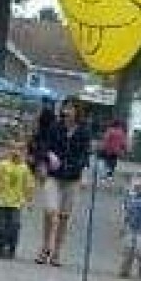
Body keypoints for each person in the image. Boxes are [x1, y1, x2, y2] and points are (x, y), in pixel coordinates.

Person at [35, 97, 91, 267]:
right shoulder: (55, 127)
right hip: (54, 175)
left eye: (71, 108)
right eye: (65, 107)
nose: (67, 111)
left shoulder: (84, 131)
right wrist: (48, 156)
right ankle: (45, 246)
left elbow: (85, 155)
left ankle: (57, 252)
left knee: (64, 216)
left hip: (72, 177)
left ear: (77, 111)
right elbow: (43, 145)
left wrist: (83, 173)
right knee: (50, 210)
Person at [0, 141, 35, 258]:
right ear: (9, 150)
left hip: (17, 203)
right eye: (13, 149)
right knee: (2, 226)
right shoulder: (3, 165)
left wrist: (29, 201)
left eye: (20, 150)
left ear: (24, 153)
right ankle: (0, 246)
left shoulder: (25, 168)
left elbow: (28, 186)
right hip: (2, 201)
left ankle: (11, 247)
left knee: (15, 225)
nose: (16, 152)